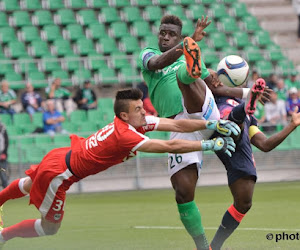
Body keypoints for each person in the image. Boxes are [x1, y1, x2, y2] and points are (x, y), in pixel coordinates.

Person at [0, 88, 240, 248]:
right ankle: (3, 236)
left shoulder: (135, 122)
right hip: (60, 174)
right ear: (125, 115)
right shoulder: (125, 135)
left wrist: (211, 123)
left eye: (142, 107)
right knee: (50, 228)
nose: (144, 112)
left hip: (61, 155)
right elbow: (168, 144)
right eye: (138, 109)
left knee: (29, 183)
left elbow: (174, 123)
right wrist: (207, 143)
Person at [138, 15, 253, 250]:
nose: (166, 37)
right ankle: (203, 247)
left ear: (179, 37)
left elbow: (218, 86)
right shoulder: (148, 54)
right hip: (179, 126)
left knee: (188, 78)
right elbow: (155, 64)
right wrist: (185, 46)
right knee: (182, 192)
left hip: (203, 111)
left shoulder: (183, 57)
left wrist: (248, 93)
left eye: (172, 34)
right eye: (163, 32)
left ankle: (194, 75)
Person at [210, 78, 300, 249]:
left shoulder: (250, 117)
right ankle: (213, 247)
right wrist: (211, 76)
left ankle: (213, 247)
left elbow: (264, 144)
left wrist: (292, 125)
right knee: (233, 128)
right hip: (220, 119)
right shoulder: (218, 96)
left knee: (244, 203)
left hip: (235, 122)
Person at [0, 121, 8, 189]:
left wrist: (4, 153)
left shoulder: (3, 129)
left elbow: (6, 141)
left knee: (2, 172)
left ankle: (6, 189)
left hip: (1, 154)